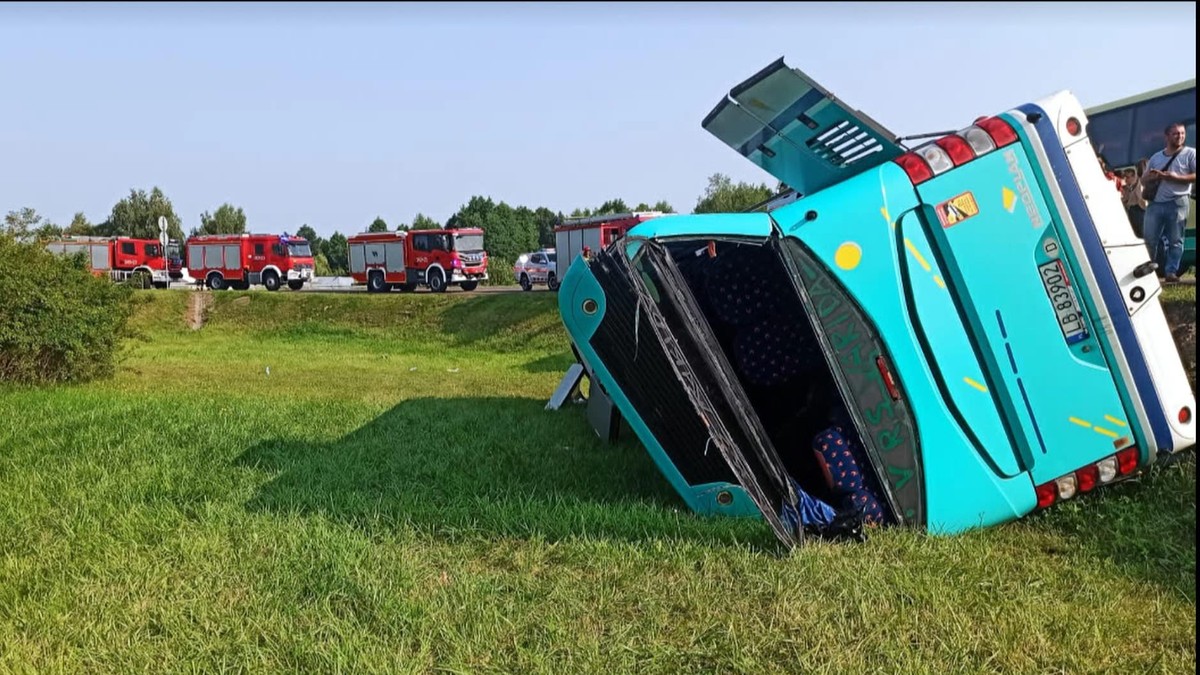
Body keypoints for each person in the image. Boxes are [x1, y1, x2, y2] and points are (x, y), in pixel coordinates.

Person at [1140, 122, 1197, 283]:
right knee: (1150, 239)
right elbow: (1143, 179)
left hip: (1178, 202)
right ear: (1167, 136)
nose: (1180, 136)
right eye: (1176, 134)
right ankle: (1148, 271)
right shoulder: (1156, 157)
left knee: (1176, 240)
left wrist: (1174, 177)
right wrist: (1152, 177)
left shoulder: (1190, 154)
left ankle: (1171, 272)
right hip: (1155, 204)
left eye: (1182, 133)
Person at [1121, 166, 1147, 237]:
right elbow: (1125, 199)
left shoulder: (1141, 185)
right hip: (1131, 211)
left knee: (1142, 232)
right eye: (1124, 177)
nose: (1125, 180)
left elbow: (1144, 201)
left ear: (1134, 176)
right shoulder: (1128, 187)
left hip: (1140, 210)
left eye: (1127, 177)